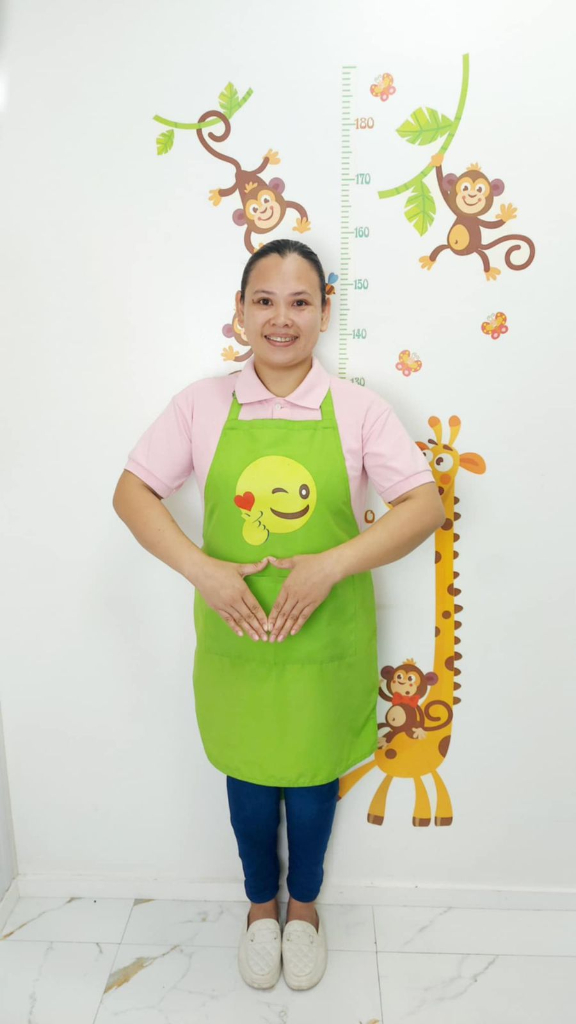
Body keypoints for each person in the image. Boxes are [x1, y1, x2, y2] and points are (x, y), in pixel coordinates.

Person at [112, 238, 444, 991]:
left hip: (326, 641)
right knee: (250, 778)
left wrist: (331, 565)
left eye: (300, 302)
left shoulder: (360, 409)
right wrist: (201, 569)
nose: (281, 318)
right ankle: (261, 908)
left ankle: (305, 910)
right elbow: (132, 492)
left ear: (325, 310)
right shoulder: (200, 405)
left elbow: (423, 507)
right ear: (240, 310)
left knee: (316, 777)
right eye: (264, 301)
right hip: (237, 641)